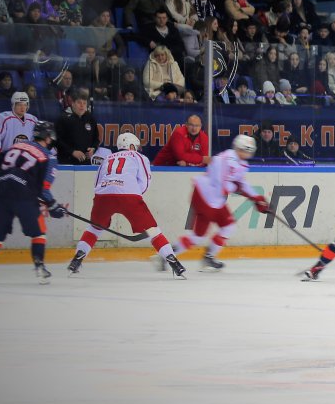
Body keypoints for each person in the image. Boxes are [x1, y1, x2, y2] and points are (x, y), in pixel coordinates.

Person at [67, 133, 186, 279]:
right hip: (129, 195)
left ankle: (77, 259)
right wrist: (134, 194)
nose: (136, 149)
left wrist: (104, 195)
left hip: (103, 195)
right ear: (131, 146)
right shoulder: (139, 157)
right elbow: (144, 181)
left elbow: (97, 181)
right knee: (152, 230)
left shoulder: (107, 158)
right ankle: (173, 261)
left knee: (94, 228)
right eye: (135, 146)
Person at [166, 134, 268, 271]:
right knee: (219, 229)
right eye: (246, 150)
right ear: (238, 148)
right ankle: (204, 257)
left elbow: (240, 183)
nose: (248, 154)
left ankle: (168, 255)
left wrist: (257, 198)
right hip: (208, 198)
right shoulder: (225, 159)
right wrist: (239, 190)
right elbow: (223, 186)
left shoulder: (240, 162)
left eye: (250, 151)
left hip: (211, 198)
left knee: (206, 233)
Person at [0, 122, 63, 284]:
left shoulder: (16, 146)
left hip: (3, 192)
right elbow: (44, 190)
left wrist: (11, 177)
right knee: (38, 232)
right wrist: (52, 206)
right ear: (48, 137)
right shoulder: (48, 157)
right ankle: (39, 267)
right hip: (24, 196)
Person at [0, 91, 39, 159]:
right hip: (5, 157)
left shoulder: (33, 120)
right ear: (13, 105)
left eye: (25, 105)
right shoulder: (3, 118)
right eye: (19, 105)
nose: (22, 108)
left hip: (24, 159)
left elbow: (37, 141)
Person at [54, 89, 98, 164]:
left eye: (84, 103)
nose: (82, 105)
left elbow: (96, 139)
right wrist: (72, 152)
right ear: (73, 103)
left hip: (85, 163)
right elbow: (57, 140)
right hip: (67, 163)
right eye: (79, 102)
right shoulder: (63, 119)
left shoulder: (90, 119)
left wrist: (93, 149)